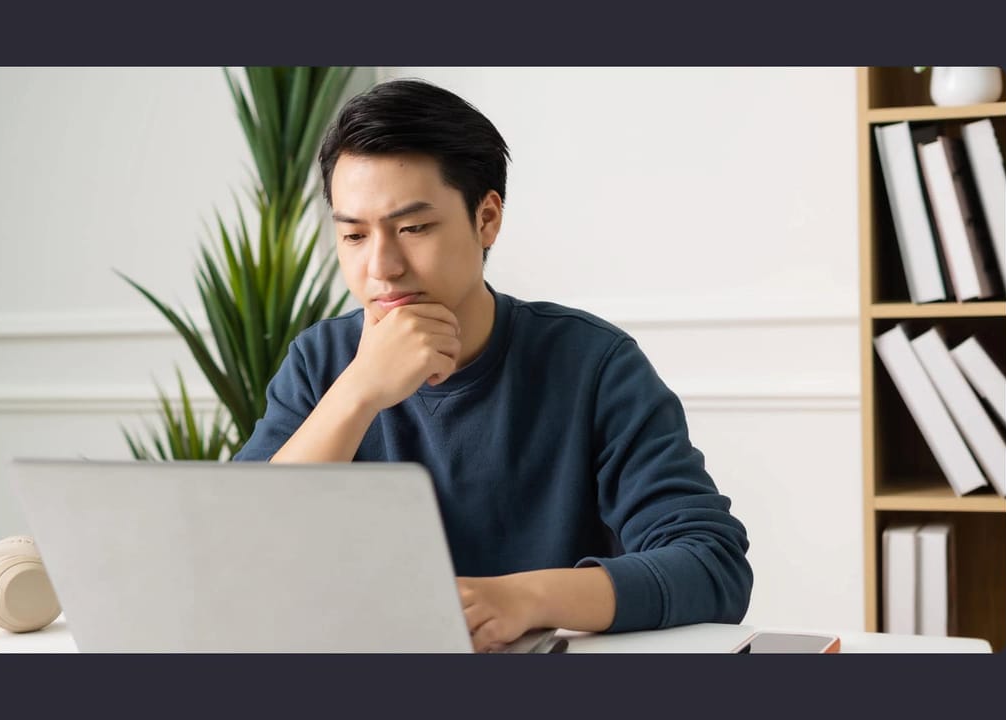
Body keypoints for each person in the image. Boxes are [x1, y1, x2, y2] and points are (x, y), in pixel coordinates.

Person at [232, 78, 753, 652]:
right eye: (354, 235)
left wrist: (525, 599)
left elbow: (712, 564)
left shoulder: (593, 363)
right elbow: (237, 560)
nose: (381, 267)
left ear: (486, 218)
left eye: (412, 228)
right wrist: (357, 393)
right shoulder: (320, 363)